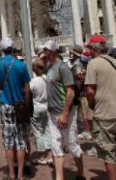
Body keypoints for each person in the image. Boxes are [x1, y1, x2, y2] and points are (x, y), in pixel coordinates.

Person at [0, 37, 31, 180]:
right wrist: (26, 105)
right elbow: (27, 89)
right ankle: (21, 175)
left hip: (5, 105)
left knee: (8, 143)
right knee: (21, 142)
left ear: (2, 50)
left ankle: (11, 174)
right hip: (20, 106)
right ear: (13, 48)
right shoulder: (21, 65)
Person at [85, 41, 116, 180]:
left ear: (94, 49)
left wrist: (92, 104)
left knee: (108, 154)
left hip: (105, 114)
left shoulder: (93, 63)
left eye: (90, 48)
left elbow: (90, 90)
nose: (89, 52)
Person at [42, 40, 84, 180]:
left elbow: (70, 92)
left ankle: (81, 173)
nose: (44, 53)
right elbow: (37, 66)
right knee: (56, 146)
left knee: (71, 144)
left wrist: (65, 114)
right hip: (52, 113)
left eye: (46, 50)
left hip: (65, 113)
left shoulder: (62, 67)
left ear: (53, 51)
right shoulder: (49, 67)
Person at [30, 58, 52, 165]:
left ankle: (42, 156)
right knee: (47, 131)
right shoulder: (48, 79)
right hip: (47, 107)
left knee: (38, 133)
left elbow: (28, 93)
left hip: (37, 107)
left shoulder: (33, 81)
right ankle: (49, 155)